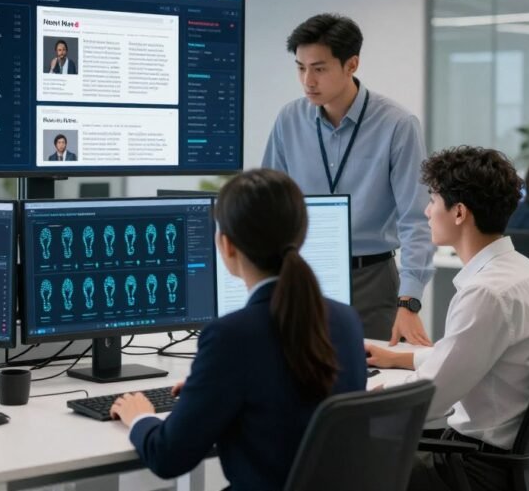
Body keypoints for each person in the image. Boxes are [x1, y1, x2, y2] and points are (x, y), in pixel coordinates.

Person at [110, 168, 366, 490]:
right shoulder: (346, 320)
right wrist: (210, 385)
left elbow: (168, 456)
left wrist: (139, 417)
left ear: (226, 245)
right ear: (300, 236)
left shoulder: (231, 337)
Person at [365, 146, 529, 491]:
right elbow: (469, 353)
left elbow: (428, 399)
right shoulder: (524, 272)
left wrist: (361, 396)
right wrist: (401, 358)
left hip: (476, 468)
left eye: (433, 200)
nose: (427, 212)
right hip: (513, 459)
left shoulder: (486, 292)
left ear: (458, 213)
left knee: (350, 460)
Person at [263, 13, 434, 346]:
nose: (307, 81)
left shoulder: (397, 124)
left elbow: (416, 219)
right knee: (295, 377)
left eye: (319, 68)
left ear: (351, 64)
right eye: (300, 67)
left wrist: (409, 300)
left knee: (372, 383)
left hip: (371, 279)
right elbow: (270, 204)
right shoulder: (289, 119)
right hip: (304, 275)